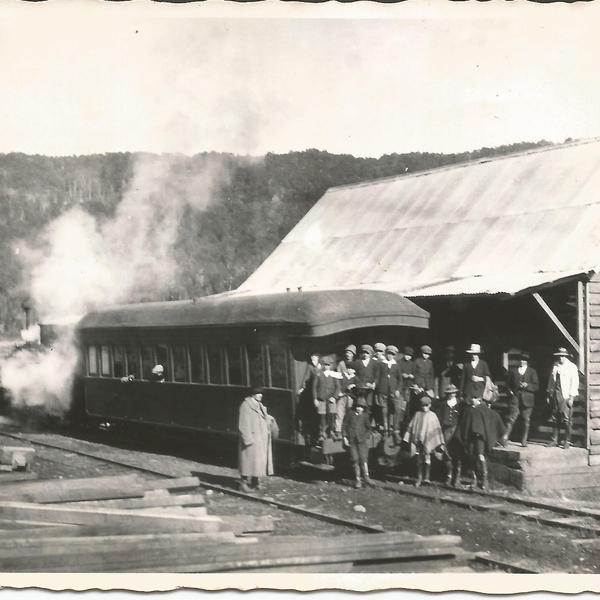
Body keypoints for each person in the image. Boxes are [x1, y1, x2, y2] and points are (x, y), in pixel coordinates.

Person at [454, 396, 504, 490]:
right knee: (471, 457)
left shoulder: (483, 409)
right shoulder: (468, 410)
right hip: (470, 438)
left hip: (480, 438)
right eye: (472, 398)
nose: (472, 400)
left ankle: (484, 479)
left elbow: (493, 417)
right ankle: (474, 480)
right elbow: (464, 423)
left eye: (474, 399)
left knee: (480, 457)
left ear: (479, 400)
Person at [403, 395, 444, 487]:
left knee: (427, 457)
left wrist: (438, 441)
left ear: (430, 405)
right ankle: (419, 478)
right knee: (419, 459)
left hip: (428, 441)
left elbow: (436, 428)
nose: (424, 407)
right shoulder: (417, 414)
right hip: (418, 441)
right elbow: (412, 426)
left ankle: (427, 478)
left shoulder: (432, 415)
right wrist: (410, 438)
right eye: (422, 405)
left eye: (426, 405)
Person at [238, 386, 274, 493]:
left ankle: (255, 482)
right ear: (252, 394)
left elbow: (263, 417)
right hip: (252, 438)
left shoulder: (259, 405)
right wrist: (247, 439)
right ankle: (243, 483)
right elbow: (243, 424)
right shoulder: (246, 405)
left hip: (260, 439)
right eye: (258, 393)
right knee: (248, 462)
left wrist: (270, 420)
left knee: (257, 463)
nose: (260, 395)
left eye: (261, 394)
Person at [503, 351, 539, 447]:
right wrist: (509, 391)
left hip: (527, 399)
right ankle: (504, 438)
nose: (522, 361)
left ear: (527, 362)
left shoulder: (532, 371)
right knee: (511, 419)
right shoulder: (513, 371)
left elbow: (536, 386)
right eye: (521, 360)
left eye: (524, 360)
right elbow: (507, 384)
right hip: (515, 398)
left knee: (526, 420)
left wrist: (527, 385)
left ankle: (524, 440)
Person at [546, 347, 579, 449]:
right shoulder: (555, 366)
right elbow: (551, 381)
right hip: (555, 395)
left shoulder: (572, 367)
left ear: (566, 356)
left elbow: (575, 383)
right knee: (555, 418)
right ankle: (554, 440)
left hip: (565, 395)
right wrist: (549, 394)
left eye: (563, 356)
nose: (561, 358)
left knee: (566, 419)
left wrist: (571, 397)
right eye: (559, 356)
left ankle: (567, 441)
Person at [342, 397, 374, 488]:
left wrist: (365, 437)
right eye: (357, 406)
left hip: (361, 441)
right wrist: (345, 437)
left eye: (361, 407)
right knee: (355, 459)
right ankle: (358, 479)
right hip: (352, 441)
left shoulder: (365, 416)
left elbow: (369, 429)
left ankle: (367, 477)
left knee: (363, 459)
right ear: (355, 406)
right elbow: (344, 425)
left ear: (364, 408)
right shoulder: (350, 414)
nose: (359, 408)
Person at [434, 384, 461, 486]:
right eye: (449, 393)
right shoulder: (443, 404)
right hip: (445, 430)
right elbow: (439, 417)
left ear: (455, 393)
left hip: (456, 430)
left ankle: (457, 477)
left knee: (457, 453)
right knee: (447, 453)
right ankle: (449, 475)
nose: (451, 395)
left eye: (453, 393)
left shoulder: (459, 404)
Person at [374, 345, 401, 433]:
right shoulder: (381, 364)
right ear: (386, 354)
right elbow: (377, 376)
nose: (390, 356)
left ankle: (395, 428)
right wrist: (376, 386)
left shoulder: (396, 365)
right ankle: (385, 427)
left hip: (393, 391)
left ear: (394, 355)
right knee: (384, 410)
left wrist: (398, 390)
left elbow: (400, 380)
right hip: (383, 390)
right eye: (389, 354)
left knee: (396, 409)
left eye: (392, 354)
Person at [297, 353, 321, 455]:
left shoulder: (322, 366)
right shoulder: (310, 367)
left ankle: (319, 436)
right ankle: (313, 439)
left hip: (323, 394)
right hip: (313, 396)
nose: (313, 360)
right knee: (313, 418)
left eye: (315, 358)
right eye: (312, 359)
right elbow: (306, 379)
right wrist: (302, 388)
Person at [312, 356, 340, 440]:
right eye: (325, 365)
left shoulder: (334, 374)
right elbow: (314, 387)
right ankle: (322, 433)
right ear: (322, 365)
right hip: (322, 399)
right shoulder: (318, 374)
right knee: (322, 416)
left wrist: (334, 397)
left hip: (331, 399)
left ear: (331, 365)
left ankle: (331, 431)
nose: (326, 366)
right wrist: (315, 398)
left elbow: (338, 387)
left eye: (328, 365)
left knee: (332, 415)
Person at [407, 345, 435, 424]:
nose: (426, 355)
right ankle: (415, 422)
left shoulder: (430, 362)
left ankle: (425, 421)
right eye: (424, 353)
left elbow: (431, 375)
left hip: (427, 386)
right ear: (421, 353)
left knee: (426, 404)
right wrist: (417, 385)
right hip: (418, 386)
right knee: (417, 404)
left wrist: (430, 387)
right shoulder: (417, 361)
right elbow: (413, 373)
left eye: (428, 354)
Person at [394, 346, 415, 440]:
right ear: (404, 354)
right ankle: (396, 428)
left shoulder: (412, 364)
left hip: (408, 389)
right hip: (401, 389)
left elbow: (415, 374)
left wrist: (412, 376)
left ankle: (404, 430)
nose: (408, 357)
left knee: (406, 410)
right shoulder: (399, 363)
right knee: (399, 409)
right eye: (406, 355)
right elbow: (396, 375)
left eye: (410, 356)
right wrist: (402, 375)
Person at [352, 344, 377, 416]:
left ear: (371, 354)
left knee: (368, 405)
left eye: (367, 353)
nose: (365, 354)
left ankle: (367, 423)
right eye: (364, 352)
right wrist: (358, 383)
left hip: (369, 388)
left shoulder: (374, 363)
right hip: (360, 388)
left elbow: (376, 375)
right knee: (359, 404)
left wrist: (373, 383)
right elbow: (355, 375)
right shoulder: (357, 362)